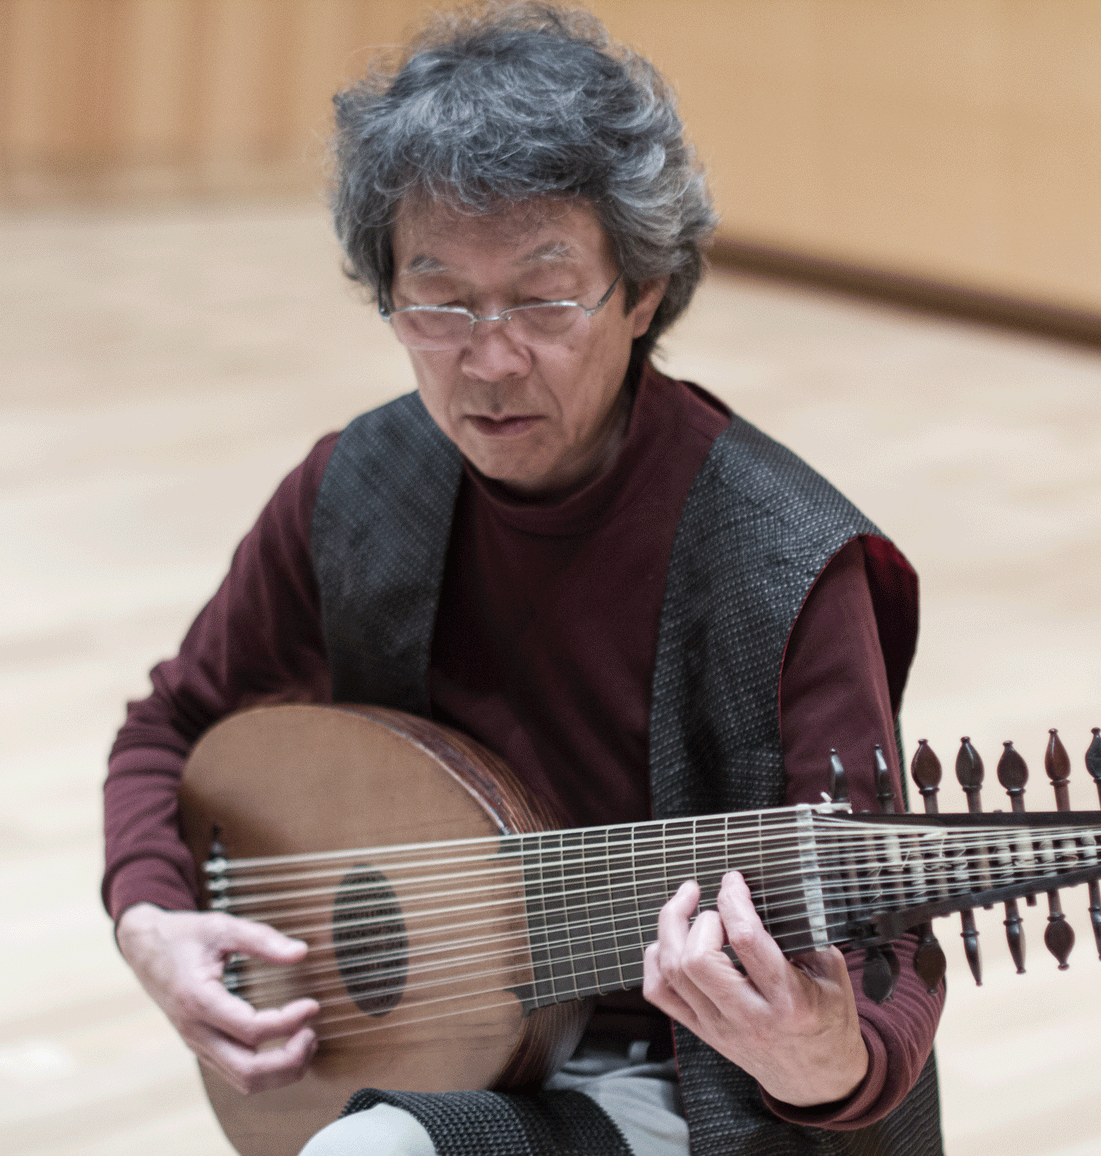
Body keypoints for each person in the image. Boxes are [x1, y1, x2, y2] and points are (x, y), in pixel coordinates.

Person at [103, 5, 943, 1154]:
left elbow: (882, 943)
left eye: (545, 300)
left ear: (642, 295)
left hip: (689, 1083)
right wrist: (150, 914)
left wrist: (821, 1055)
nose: (487, 360)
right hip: (437, 1049)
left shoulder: (783, 562)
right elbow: (174, 723)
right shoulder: (359, 488)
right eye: (438, 301)